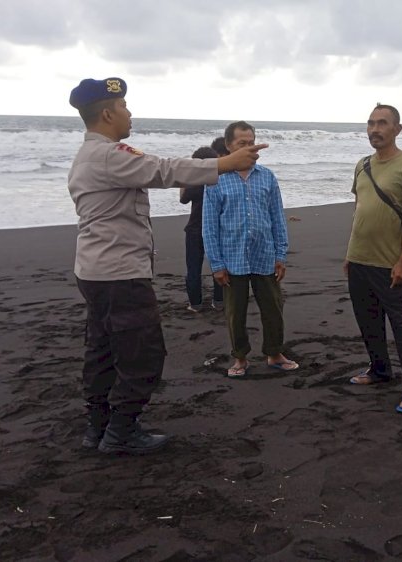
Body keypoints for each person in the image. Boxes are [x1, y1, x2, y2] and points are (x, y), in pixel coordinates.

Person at [67, 78, 267, 454]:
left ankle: (99, 426)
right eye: (124, 106)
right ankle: (121, 431)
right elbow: (163, 170)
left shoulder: (90, 155)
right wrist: (225, 163)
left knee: (102, 350)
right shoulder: (109, 156)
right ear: (108, 113)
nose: (130, 113)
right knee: (142, 353)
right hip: (119, 275)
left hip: (96, 271)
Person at [344, 104, 402, 414]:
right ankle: (380, 370)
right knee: (368, 320)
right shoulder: (362, 165)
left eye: (382, 123)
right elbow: (359, 210)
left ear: (397, 129)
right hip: (359, 260)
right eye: (370, 123)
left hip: (389, 263)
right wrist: (349, 254)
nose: (374, 129)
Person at [202, 121, 298, 377]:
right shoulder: (216, 180)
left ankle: (274, 353)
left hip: (265, 255)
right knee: (235, 313)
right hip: (232, 260)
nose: (249, 147)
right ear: (228, 146)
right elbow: (209, 226)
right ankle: (240, 357)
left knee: (273, 308)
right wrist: (217, 264)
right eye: (241, 143)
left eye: (251, 142)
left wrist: (280, 254)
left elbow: (277, 217)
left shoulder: (267, 176)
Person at [179, 145, 224, 312]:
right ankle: (219, 301)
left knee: (193, 268)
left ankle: (195, 304)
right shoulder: (219, 181)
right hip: (216, 229)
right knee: (218, 266)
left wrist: (185, 178)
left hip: (195, 228)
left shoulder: (195, 183)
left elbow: (183, 199)